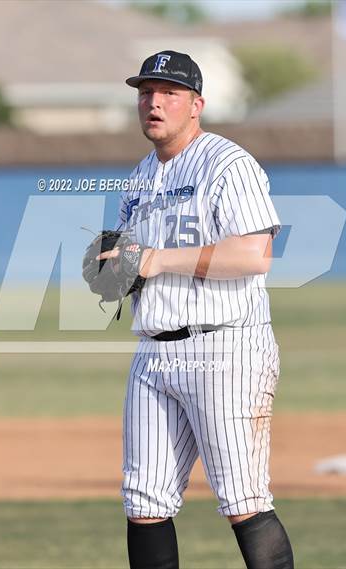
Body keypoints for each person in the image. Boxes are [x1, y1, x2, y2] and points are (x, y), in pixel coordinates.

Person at [98, 50, 294, 569]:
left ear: (196, 105)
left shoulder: (228, 164)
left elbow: (254, 255)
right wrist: (118, 270)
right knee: (143, 504)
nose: (154, 103)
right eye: (146, 92)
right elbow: (136, 261)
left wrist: (157, 259)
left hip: (225, 346)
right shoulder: (139, 178)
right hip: (153, 351)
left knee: (244, 500)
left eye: (170, 93)